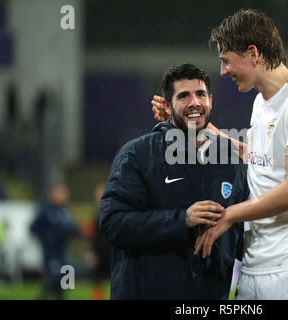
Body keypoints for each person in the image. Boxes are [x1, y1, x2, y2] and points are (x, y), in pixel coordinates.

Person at [153, 8, 288, 300]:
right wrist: (189, 120)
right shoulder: (262, 104)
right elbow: (251, 154)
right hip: (257, 263)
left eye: (226, 60)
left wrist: (229, 215)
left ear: (252, 53)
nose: (223, 71)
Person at [100, 63, 249, 299]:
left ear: (210, 100)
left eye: (200, 94)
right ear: (168, 107)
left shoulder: (230, 162)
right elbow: (113, 224)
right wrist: (183, 220)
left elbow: (242, 235)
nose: (194, 102)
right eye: (184, 96)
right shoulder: (138, 154)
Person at [30, 183, 79, 300]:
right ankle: (43, 295)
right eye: (61, 193)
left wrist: (74, 231)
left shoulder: (64, 211)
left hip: (61, 250)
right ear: (53, 194)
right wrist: (47, 237)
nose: (64, 196)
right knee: (57, 275)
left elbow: (71, 228)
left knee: (66, 275)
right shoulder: (45, 210)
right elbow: (33, 228)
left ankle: (59, 296)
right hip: (50, 252)